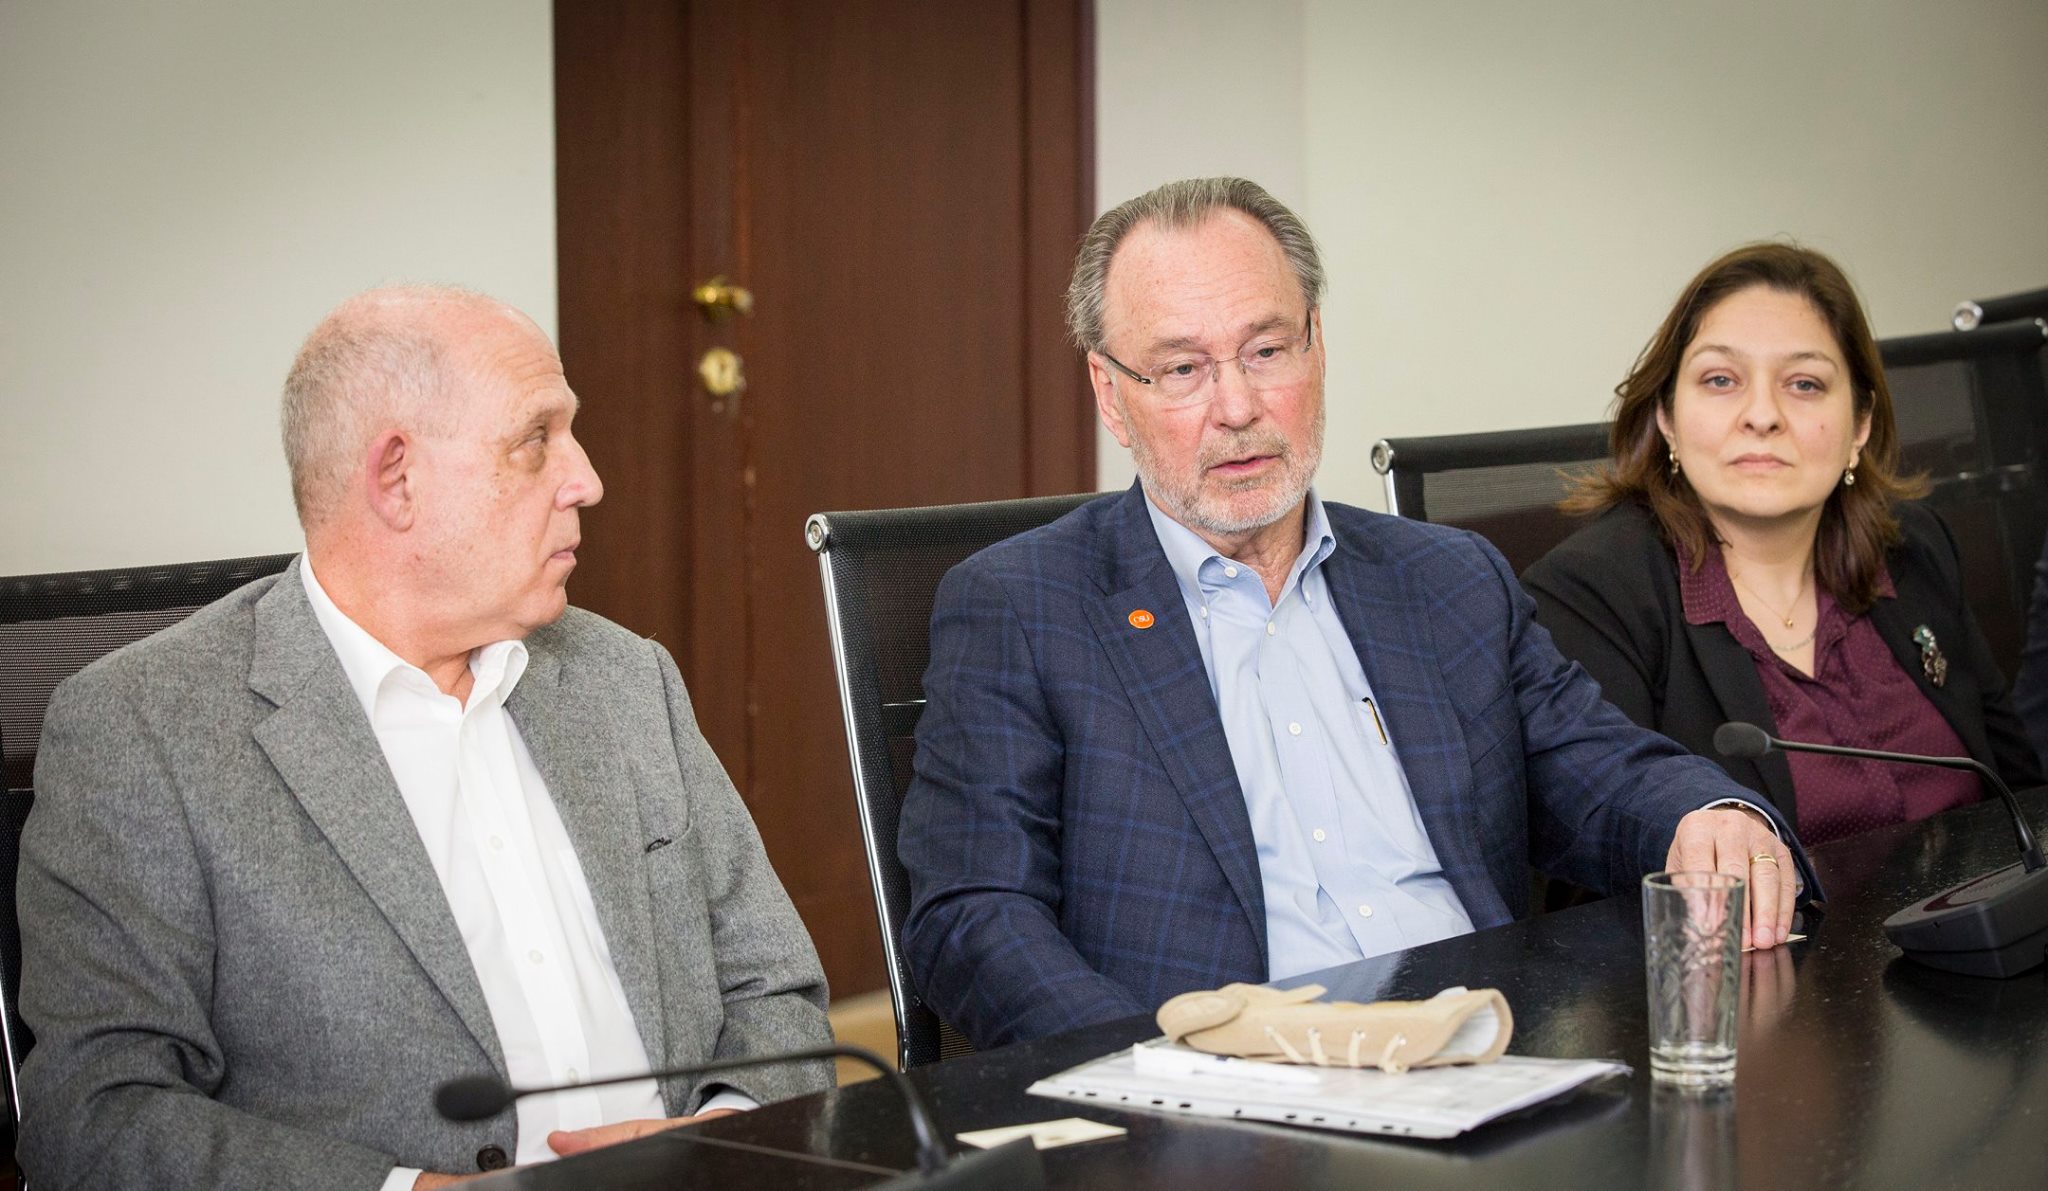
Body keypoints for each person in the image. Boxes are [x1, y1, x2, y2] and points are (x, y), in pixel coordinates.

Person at [897, 178, 1809, 1051]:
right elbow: (972, 914)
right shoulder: (1025, 606)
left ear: (1317, 345)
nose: (1238, 407)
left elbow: (1598, 768)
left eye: (1266, 351)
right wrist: (1153, 1065)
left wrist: (1709, 813)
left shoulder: (1447, 580)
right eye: (1181, 368)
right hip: (1228, 1095)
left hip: (1488, 1054)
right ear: (1110, 393)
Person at [18, 287, 833, 1191]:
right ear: (397, 479)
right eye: (537, 439)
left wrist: (725, 1139)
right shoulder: (144, 731)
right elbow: (96, 1113)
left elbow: (777, 989)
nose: (587, 479)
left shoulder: (625, 678)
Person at [1524, 243, 2040, 847]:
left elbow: (2024, 797)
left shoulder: (1912, 548)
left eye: (1804, 383)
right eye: (1721, 380)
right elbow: (1599, 852)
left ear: (1861, 424)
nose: (1763, 415)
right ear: (1666, 416)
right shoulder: (1594, 593)